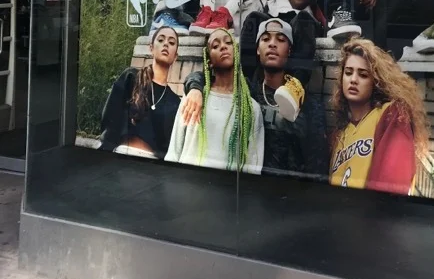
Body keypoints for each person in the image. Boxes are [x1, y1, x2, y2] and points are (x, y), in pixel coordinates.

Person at [182, 19, 329, 179]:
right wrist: (195, 89)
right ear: (258, 50)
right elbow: (211, 76)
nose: (272, 44)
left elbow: (318, 165)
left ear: (289, 50)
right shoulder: (248, 91)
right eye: (265, 39)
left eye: (280, 40)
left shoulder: (307, 102)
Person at [329, 38, 428, 195]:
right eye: (348, 73)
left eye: (363, 75)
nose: (353, 80)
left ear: (375, 81)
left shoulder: (391, 114)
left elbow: (393, 179)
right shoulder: (340, 133)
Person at [165, 28, 264, 173]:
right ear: (209, 61)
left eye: (228, 42)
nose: (223, 46)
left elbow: (253, 164)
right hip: (186, 186)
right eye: (215, 46)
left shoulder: (251, 108)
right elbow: (174, 150)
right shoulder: (193, 98)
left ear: (236, 52)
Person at [99, 26, 181, 159]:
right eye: (161, 40)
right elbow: (110, 118)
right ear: (151, 48)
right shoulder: (131, 78)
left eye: (171, 43)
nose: (166, 43)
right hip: (120, 157)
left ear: (175, 56)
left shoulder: (175, 102)